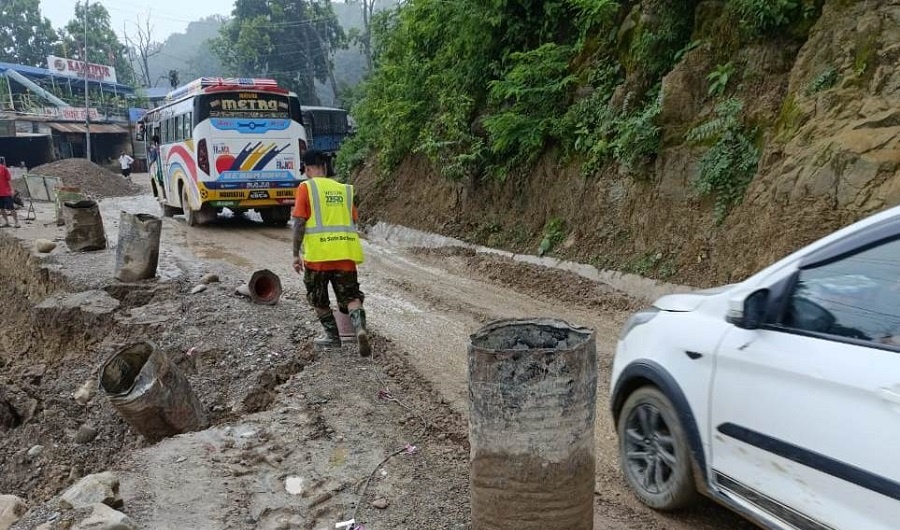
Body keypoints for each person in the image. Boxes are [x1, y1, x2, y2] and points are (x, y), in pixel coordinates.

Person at [291, 149, 370, 356]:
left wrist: (295, 254)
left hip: (318, 258)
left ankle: (333, 338)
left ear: (307, 168)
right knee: (352, 297)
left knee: (318, 299)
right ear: (325, 167)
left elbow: (299, 223)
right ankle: (359, 329)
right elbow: (353, 220)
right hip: (345, 256)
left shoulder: (306, 187)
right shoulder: (344, 189)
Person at [0, 160, 20, 228]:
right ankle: (6, 222)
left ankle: (16, 222)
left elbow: (9, 180)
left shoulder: (3, 168)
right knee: (1, 208)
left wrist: (12, 190)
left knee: (11, 208)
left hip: (6, 192)